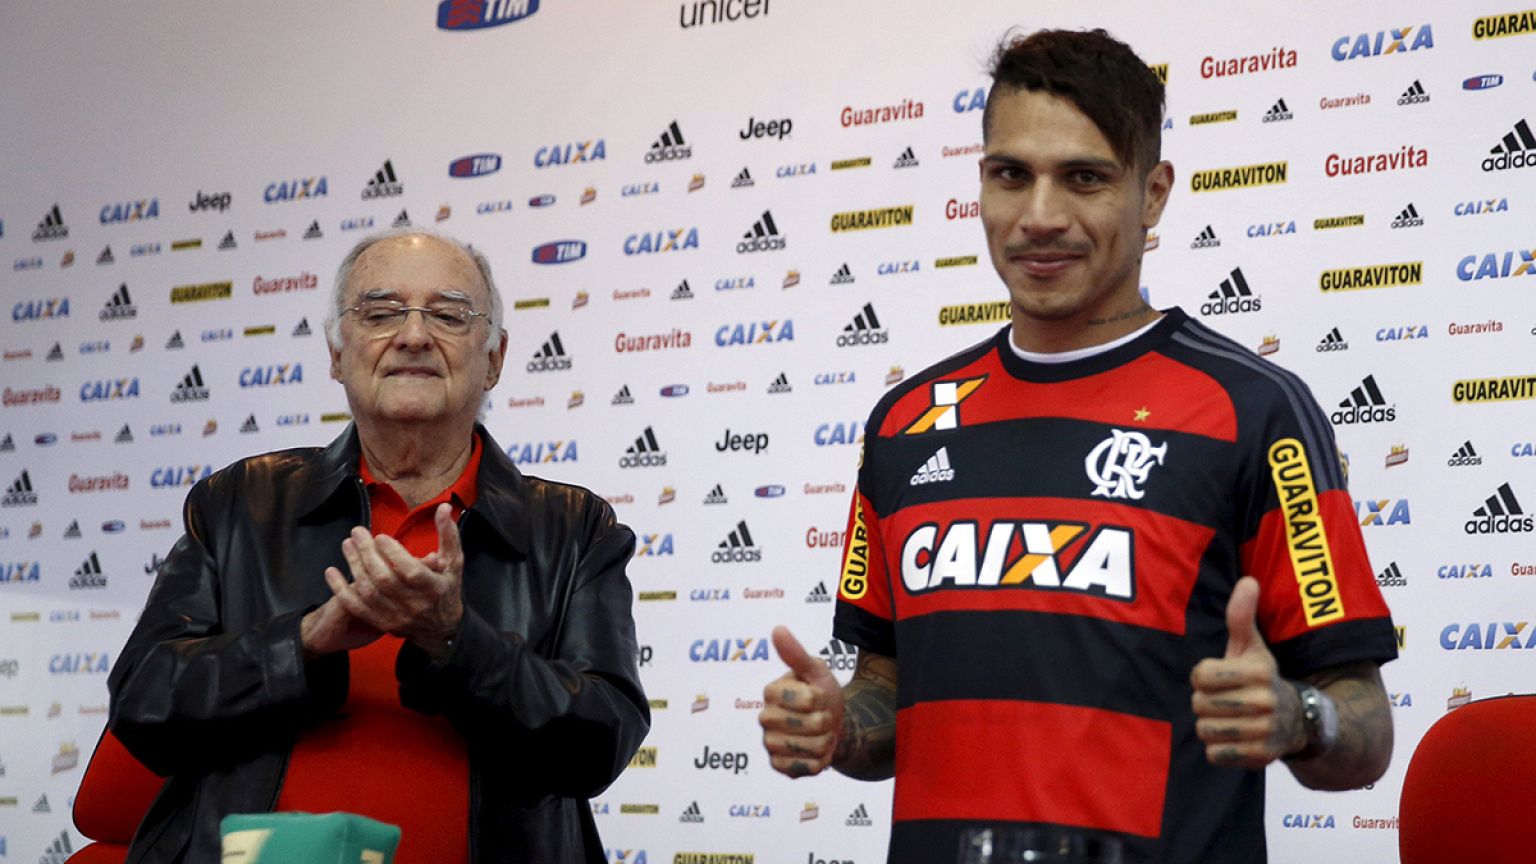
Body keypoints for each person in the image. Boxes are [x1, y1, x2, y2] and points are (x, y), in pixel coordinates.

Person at [759, 28, 1396, 864]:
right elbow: (886, 688)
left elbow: (1366, 723)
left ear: (1154, 193)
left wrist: (1296, 716)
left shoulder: (1256, 412)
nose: (1040, 217)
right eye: (1010, 175)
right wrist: (841, 728)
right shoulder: (903, 424)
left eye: (1085, 178)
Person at [108, 229, 649, 864]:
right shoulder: (240, 504)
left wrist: (454, 640)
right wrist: (305, 641)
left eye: (448, 315)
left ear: (495, 358)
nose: (414, 336)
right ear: (337, 353)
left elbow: (598, 743)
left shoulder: (575, 528)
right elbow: (145, 706)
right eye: (380, 312)